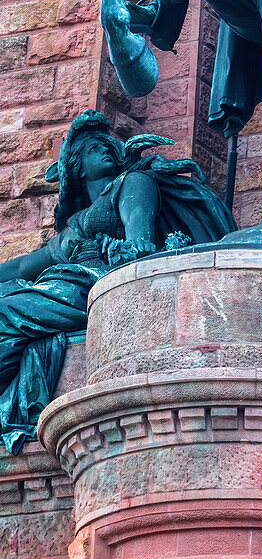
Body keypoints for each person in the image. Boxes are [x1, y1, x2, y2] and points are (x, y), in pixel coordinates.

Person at [0, 110, 235, 453]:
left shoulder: (133, 184)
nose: (107, 149)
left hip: (93, 285)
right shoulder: (76, 223)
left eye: (108, 143)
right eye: (95, 147)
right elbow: (24, 266)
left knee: (5, 314)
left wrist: (130, 248)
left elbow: (140, 238)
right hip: (64, 284)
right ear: (78, 167)